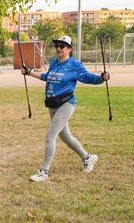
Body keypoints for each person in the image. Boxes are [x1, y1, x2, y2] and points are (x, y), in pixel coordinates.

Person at [22, 35, 109, 182]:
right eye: (57, 46)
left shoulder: (75, 65)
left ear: (69, 49)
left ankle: (44, 172)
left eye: (62, 46)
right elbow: (47, 77)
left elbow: (89, 78)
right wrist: (29, 72)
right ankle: (88, 158)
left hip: (66, 104)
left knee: (50, 136)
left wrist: (101, 77)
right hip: (52, 104)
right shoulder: (55, 63)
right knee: (66, 137)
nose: (58, 48)